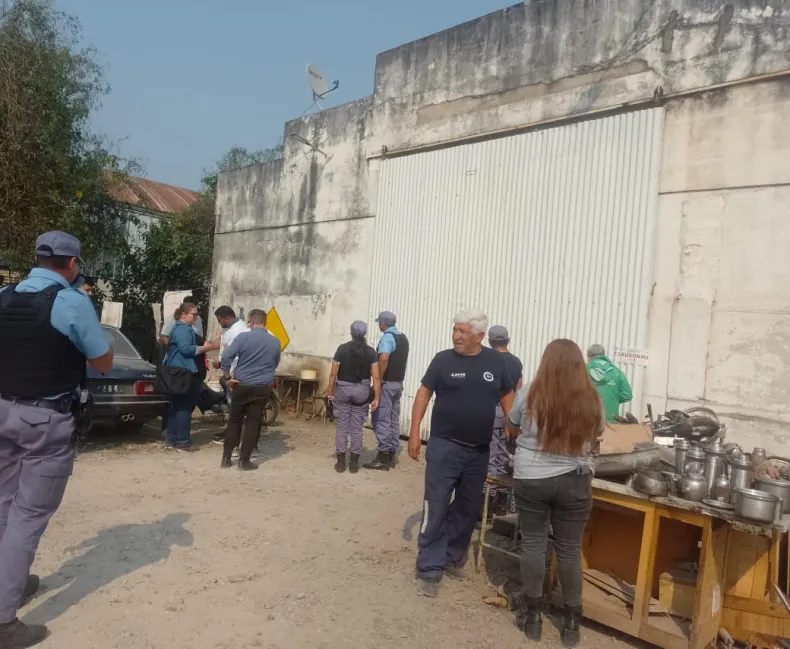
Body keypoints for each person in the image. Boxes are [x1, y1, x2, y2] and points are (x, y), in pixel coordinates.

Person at [0, 231, 114, 647]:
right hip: (43, 419)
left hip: (2, 411)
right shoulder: (71, 302)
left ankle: (9, 582)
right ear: (72, 264)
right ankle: (3, 620)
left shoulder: (4, 296)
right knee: (28, 516)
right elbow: (103, 362)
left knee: (3, 505)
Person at [407, 310, 515, 598]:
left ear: (479, 336)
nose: (456, 335)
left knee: (468, 508)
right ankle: (429, 567)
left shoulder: (495, 362)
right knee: (436, 505)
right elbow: (423, 393)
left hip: (479, 450)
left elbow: (507, 393)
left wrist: (511, 423)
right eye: (455, 330)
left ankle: (452, 556)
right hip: (445, 446)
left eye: (462, 331)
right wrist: (415, 431)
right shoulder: (443, 360)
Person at [507, 339, 605, 647]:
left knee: (534, 545)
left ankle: (533, 617)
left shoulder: (530, 393)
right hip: (575, 479)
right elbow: (600, 431)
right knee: (570, 550)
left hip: (533, 478)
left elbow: (512, 422)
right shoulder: (592, 398)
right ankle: (572, 623)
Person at [220, 309, 281, 471]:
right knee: (253, 422)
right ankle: (244, 460)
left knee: (234, 421)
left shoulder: (243, 337)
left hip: (241, 384)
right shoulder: (275, 342)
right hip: (261, 387)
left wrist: (227, 377)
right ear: (264, 322)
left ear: (252, 322)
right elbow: (275, 363)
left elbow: (226, 357)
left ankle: (226, 458)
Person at [327, 321, 381, 474]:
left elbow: (333, 373)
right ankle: (353, 465)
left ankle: (340, 463)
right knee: (357, 428)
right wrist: (376, 397)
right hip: (362, 391)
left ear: (351, 333)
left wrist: (330, 392)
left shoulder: (341, 349)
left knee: (342, 427)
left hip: (343, 390)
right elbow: (376, 377)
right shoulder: (371, 352)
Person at [162, 303, 216, 452]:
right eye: (194, 314)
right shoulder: (184, 329)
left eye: (197, 314)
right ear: (183, 315)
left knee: (175, 406)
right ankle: (183, 441)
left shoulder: (178, 328)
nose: (196, 317)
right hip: (183, 372)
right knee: (184, 407)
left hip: (176, 371)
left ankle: (171, 439)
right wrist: (204, 348)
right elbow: (186, 349)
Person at [485, 325, 524, 513]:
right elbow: (518, 391)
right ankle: (501, 506)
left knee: (489, 459)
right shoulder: (516, 362)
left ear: (489, 341)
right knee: (504, 458)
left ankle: (486, 507)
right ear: (508, 340)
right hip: (510, 416)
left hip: (490, 413)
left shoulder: (487, 360)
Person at [364, 311, 409, 471]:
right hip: (398, 384)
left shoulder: (387, 338)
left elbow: (383, 358)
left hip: (387, 384)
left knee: (381, 418)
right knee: (393, 419)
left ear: (383, 323)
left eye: (380, 323)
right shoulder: (403, 338)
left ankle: (382, 456)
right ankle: (391, 454)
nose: (379, 325)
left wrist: (378, 379)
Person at [211, 306, 249, 446]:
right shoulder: (229, 328)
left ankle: (234, 436)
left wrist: (221, 363)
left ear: (227, 318)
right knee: (232, 404)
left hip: (234, 373)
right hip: (229, 370)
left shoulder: (238, 331)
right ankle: (232, 433)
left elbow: (234, 354)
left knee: (235, 406)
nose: (219, 323)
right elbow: (223, 344)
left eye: (219, 320)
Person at [586, 344, 632, 422]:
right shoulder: (617, 372)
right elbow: (627, 395)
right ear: (603, 355)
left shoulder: (582, 369)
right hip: (610, 420)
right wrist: (612, 398)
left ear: (589, 357)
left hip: (586, 420)